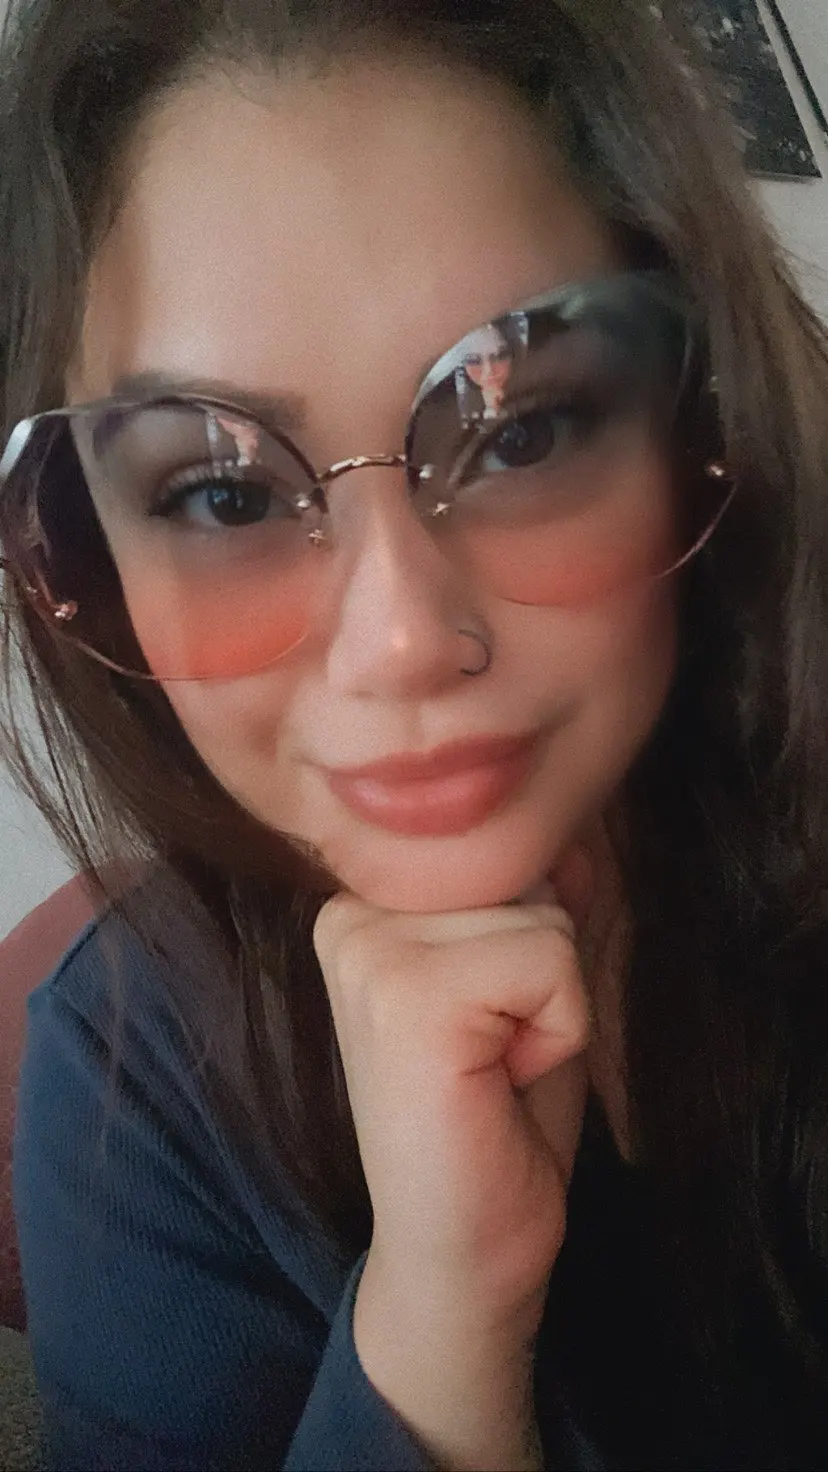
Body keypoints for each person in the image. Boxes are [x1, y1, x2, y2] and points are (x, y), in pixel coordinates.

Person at [1, 0, 827, 1467]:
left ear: (698, 421)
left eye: (522, 432)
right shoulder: (130, 1091)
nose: (398, 640)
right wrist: (439, 1320)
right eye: (221, 496)